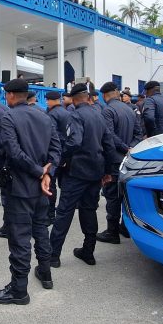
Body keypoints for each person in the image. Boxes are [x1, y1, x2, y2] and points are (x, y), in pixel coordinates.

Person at [0, 78, 60, 303]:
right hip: (42, 186)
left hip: (21, 185)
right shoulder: (44, 116)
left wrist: (40, 172)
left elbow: (12, 151)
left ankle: (19, 289)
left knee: (19, 238)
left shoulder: (9, 117)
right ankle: (45, 272)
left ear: (10, 95)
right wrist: (47, 172)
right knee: (40, 229)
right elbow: (56, 149)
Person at [49, 83, 115, 267]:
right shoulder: (99, 114)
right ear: (87, 97)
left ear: (74, 98)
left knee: (64, 212)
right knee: (89, 210)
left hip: (77, 172)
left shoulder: (76, 115)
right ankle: (88, 251)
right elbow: (108, 144)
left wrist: (61, 158)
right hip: (95, 171)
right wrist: (108, 171)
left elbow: (74, 141)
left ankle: (53, 255)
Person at [96, 82, 137, 244]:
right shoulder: (129, 109)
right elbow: (138, 133)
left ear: (105, 95)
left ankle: (112, 232)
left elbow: (109, 135)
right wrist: (130, 147)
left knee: (112, 196)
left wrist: (124, 147)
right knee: (125, 194)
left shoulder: (108, 110)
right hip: (128, 159)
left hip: (114, 158)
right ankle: (125, 227)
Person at [45, 90, 71, 224]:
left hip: (56, 153)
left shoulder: (52, 114)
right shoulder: (67, 112)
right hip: (67, 153)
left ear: (50, 100)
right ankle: (62, 211)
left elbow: (52, 135)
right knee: (65, 184)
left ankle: (50, 214)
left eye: (47, 100)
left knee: (51, 184)